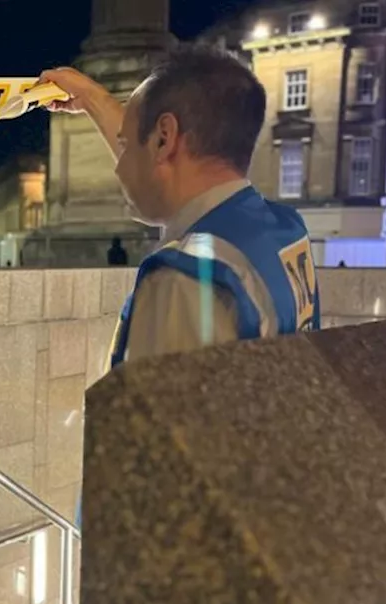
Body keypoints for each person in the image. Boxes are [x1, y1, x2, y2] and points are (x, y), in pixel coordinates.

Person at [39, 43, 320, 369]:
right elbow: (154, 160)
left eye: (126, 146)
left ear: (164, 138)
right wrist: (92, 99)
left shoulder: (184, 279)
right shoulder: (285, 230)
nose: (119, 167)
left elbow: (153, 419)